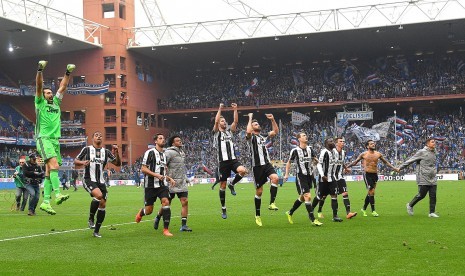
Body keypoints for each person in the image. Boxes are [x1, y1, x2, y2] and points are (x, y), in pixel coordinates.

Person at [35, 60, 75, 215]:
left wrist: (68, 72)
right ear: (42, 96)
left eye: (51, 92)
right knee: (55, 166)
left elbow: (63, 87)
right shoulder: (40, 103)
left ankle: (45, 202)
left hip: (54, 140)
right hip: (43, 138)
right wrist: (40, 70)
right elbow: (39, 86)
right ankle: (57, 194)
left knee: (48, 171)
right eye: (47, 92)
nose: (50, 93)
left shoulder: (57, 102)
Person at [74, 131, 121, 238]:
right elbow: (76, 160)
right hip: (89, 179)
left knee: (103, 204)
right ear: (92, 139)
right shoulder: (87, 149)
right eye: (96, 135)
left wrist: (117, 153)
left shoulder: (106, 152)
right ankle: (91, 218)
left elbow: (118, 163)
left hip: (101, 181)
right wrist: (82, 163)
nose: (99, 136)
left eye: (100, 135)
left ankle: (96, 231)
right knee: (99, 196)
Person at [135, 134, 176, 237]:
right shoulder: (150, 153)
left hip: (162, 185)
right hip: (150, 185)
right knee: (149, 210)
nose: (163, 140)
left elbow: (162, 172)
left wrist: (169, 178)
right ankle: (141, 212)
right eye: (160, 138)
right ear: (156, 141)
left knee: (166, 202)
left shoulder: (164, 155)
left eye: (163, 138)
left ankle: (166, 229)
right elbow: (143, 169)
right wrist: (156, 175)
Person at [213, 103, 248, 219]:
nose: (224, 123)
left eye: (225, 121)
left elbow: (235, 122)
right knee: (222, 185)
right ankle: (223, 208)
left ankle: (232, 184)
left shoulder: (229, 132)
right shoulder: (216, 133)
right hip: (223, 162)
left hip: (233, 160)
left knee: (243, 171)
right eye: (222, 121)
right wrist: (220, 109)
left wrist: (235, 109)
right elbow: (216, 122)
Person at [346, 139, 399, 217]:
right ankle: (373, 210)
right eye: (371, 144)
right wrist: (346, 167)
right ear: (367, 146)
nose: (373, 145)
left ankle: (363, 209)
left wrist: (394, 168)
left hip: (375, 174)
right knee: (372, 191)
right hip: (367, 174)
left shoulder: (378, 154)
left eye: (373, 144)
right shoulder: (363, 154)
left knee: (370, 192)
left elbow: (386, 162)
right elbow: (355, 162)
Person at [246, 112, 279, 227]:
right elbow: (248, 132)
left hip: (267, 164)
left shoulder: (263, 136)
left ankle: (272, 203)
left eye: (257, 123)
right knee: (259, 192)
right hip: (257, 167)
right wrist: (250, 118)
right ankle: (257, 215)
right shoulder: (250, 138)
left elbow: (275, 131)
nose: (257, 125)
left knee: (275, 178)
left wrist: (273, 119)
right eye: (255, 124)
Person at [153, 135, 192, 232]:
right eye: (178, 141)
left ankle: (183, 225)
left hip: (181, 183)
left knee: (185, 201)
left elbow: (181, 168)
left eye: (180, 140)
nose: (180, 142)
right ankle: (158, 217)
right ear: (173, 143)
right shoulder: (169, 152)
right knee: (167, 204)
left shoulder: (182, 153)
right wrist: (167, 178)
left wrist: (185, 178)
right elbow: (162, 164)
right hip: (171, 183)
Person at [283, 132, 323, 226]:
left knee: (302, 197)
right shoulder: (295, 151)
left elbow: (314, 159)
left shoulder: (310, 149)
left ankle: (290, 212)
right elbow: (289, 162)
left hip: (310, 176)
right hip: (301, 176)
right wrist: (286, 174)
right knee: (308, 196)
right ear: (299, 139)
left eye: (306, 135)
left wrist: (317, 162)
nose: (306, 136)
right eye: (304, 135)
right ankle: (313, 219)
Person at [315, 137, 358, 219]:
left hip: (339, 176)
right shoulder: (332, 152)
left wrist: (345, 168)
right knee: (324, 196)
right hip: (331, 177)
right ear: (336, 143)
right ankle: (319, 211)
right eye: (340, 141)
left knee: (345, 193)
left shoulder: (343, 152)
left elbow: (341, 162)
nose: (343, 143)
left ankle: (348, 213)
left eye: (343, 141)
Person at [397, 138, 439, 217]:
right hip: (423, 177)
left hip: (433, 177)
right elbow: (411, 160)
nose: (434, 143)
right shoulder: (421, 152)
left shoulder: (435, 152)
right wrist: (400, 167)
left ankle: (432, 212)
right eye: (432, 142)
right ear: (427, 144)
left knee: (433, 195)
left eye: (435, 142)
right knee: (421, 195)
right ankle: (410, 205)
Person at [311, 138, 343, 222]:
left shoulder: (335, 152)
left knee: (334, 196)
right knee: (319, 197)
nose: (332, 142)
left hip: (332, 179)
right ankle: (310, 211)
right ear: (326, 143)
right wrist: (322, 175)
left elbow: (335, 165)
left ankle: (335, 216)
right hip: (324, 179)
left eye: (333, 141)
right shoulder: (324, 152)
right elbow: (318, 164)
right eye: (330, 141)